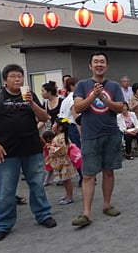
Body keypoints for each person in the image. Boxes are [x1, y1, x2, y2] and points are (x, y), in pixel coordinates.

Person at [0, 64, 56, 242]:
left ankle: (43, 215)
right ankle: (3, 225)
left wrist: (31, 103)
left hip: (32, 149)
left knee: (37, 184)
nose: (17, 79)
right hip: (7, 152)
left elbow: (45, 118)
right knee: (6, 190)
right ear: (5, 80)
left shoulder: (30, 95)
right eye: (13, 76)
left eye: (20, 76)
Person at [71, 52, 124, 227]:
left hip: (111, 134)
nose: (99, 64)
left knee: (109, 171)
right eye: (96, 62)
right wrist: (93, 95)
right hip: (90, 135)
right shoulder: (82, 85)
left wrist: (104, 99)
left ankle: (107, 205)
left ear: (106, 66)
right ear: (90, 65)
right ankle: (86, 213)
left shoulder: (114, 86)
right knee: (88, 175)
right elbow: (78, 107)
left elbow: (119, 108)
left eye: (102, 62)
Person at [45, 118, 77, 205]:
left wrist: (51, 148)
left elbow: (63, 150)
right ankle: (67, 195)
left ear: (60, 128)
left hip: (64, 162)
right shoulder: (58, 136)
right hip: (60, 162)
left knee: (67, 180)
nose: (52, 126)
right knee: (64, 180)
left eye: (54, 124)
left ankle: (70, 197)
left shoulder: (62, 137)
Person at [58, 76, 83, 186]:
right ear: (72, 86)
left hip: (65, 127)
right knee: (77, 153)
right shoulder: (73, 98)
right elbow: (76, 117)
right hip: (72, 127)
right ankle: (83, 176)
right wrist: (82, 133)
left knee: (71, 154)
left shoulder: (65, 99)